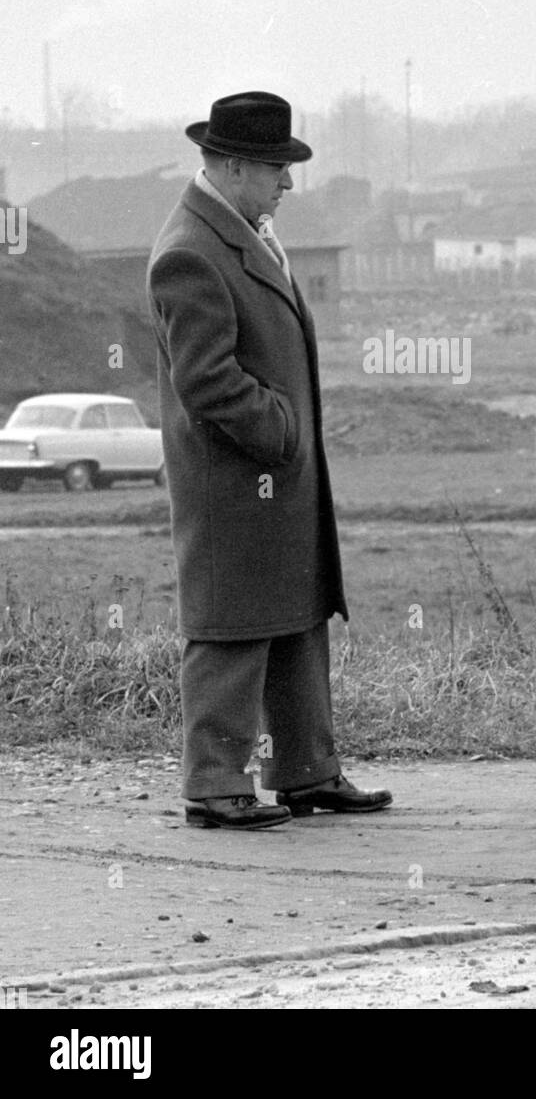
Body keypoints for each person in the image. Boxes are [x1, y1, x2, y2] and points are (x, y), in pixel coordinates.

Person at [147, 91, 391, 829]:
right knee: (231, 626)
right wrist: (283, 432)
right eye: (277, 168)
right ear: (230, 165)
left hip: (273, 477)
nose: (288, 183)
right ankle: (215, 785)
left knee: (294, 615)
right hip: (236, 479)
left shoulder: (242, 230)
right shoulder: (191, 249)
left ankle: (307, 772)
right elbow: (206, 380)